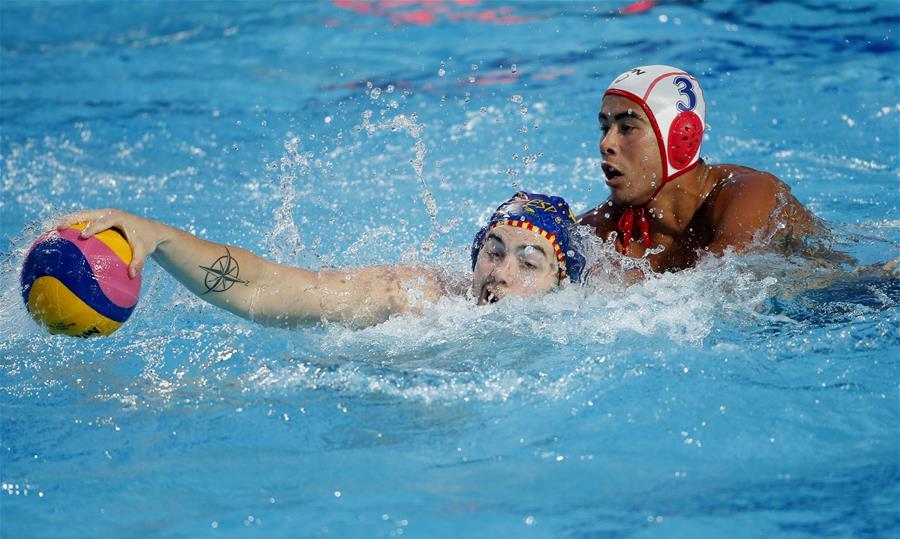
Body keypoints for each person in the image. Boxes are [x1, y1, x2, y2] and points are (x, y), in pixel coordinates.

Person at [55, 192, 587, 328]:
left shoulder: (591, 329)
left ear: (561, 285)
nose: (500, 271)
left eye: (529, 262)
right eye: (493, 251)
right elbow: (263, 288)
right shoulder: (415, 296)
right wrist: (161, 237)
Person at [579, 64, 818, 272]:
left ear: (679, 136)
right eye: (604, 128)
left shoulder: (750, 194)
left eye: (627, 127)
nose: (605, 144)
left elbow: (724, 283)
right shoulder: (606, 229)